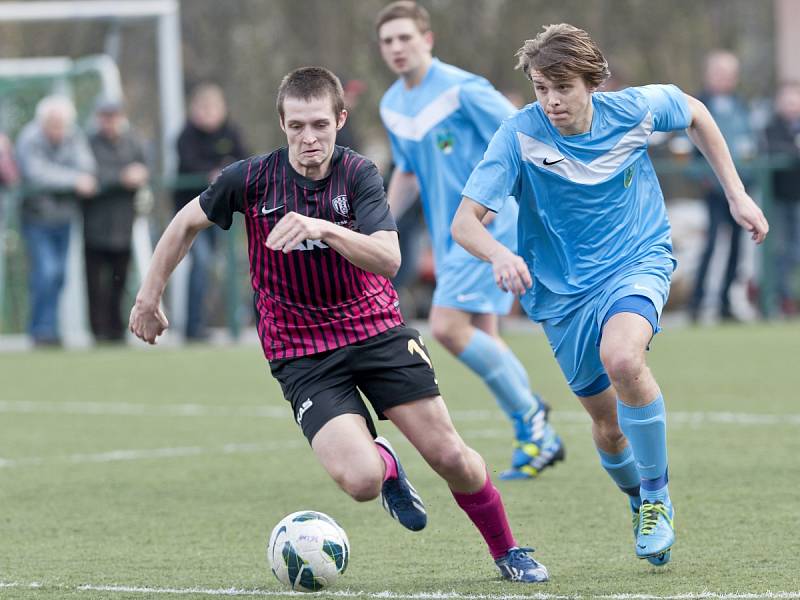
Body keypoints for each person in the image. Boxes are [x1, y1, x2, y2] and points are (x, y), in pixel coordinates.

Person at [129, 66, 549, 583]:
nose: (310, 138)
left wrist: (323, 227)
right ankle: (388, 466)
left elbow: (388, 258)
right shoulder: (252, 178)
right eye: (298, 126)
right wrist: (150, 296)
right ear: (282, 124)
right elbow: (184, 222)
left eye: (321, 125)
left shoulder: (359, 175)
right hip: (302, 352)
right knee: (361, 481)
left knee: (450, 456)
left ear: (340, 120)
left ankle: (508, 551)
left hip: (375, 330)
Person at [452, 24, 768, 567]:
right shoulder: (519, 134)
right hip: (562, 294)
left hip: (637, 260)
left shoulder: (635, 109)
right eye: (541, 88)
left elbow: (697, 112)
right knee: (607, 426)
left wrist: (736, 193)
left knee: (622, 357)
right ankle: (637, 498)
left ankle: (656, 498)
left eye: (563, 87)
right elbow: (466, 223)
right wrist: (500, 254)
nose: (551, 100)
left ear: (591, 83)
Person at [376, 1, 563, 480]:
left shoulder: (463, 90)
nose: (397, 48)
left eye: (405, 38)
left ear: (427, 39)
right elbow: (409, 172)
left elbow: (524, 131)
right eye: (388, 41)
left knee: (446, 327)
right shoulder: (393, 104)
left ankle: (533, 418)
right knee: (483, 335)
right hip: (448, 232)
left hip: (487, 225)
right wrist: (379, 223)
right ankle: (535, 437)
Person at [16, 95, 97, 346]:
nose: (58, 130)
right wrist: (72, 181)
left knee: (60, 274)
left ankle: (49, 327)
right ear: (43, 122)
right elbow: (37, 173)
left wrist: (72, 177)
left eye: (61, 125)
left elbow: (87, 166)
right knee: (46, 271)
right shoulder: (29, 139)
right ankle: (41, 329)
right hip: (36, 218)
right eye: (53, 124)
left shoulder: (74, 136)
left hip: (64, 217)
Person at [175, 83, 247, 340]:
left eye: (213, 108)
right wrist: (213, 173)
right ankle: (192, 326)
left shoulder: (231, 131)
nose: (208, 114)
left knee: (220, 266)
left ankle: (225, 322)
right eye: (203, 108)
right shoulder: (186, 135)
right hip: (192, 215)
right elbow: (190, 164)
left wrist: (227, 170)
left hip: (220, 215)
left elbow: (244, 159)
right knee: (201, 262)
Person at [688, 50, 756, 323]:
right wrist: (704, 179)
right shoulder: (696, 103)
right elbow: (688, 152)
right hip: (713, 190)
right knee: (712, 243)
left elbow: (750, 143)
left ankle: (726, 302)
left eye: (730, 74)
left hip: (740, 189)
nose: (725, 79)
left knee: (738, 248)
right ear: (708, 74)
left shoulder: (741, 106)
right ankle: (697, 301)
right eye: (720, 72)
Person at [84, 99, 149, 342]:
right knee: (95, 282)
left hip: (124, 222)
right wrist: (122, 178)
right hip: (94, 223)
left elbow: (144, 167)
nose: (109, 122)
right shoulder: (89, 143)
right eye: (105, 116)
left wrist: (141, 173)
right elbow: (91, 175)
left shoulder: (133, 141)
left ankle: (116, 328)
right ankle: (98, 330)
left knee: (119, 279)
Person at [763, 81, 800, 317]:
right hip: (778, 198)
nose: (791, 105)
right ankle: (782, 297)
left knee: (795, 250)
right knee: (780, 250)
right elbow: (773, 149)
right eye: (787, 100)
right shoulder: (771, 127)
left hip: (797, 198)